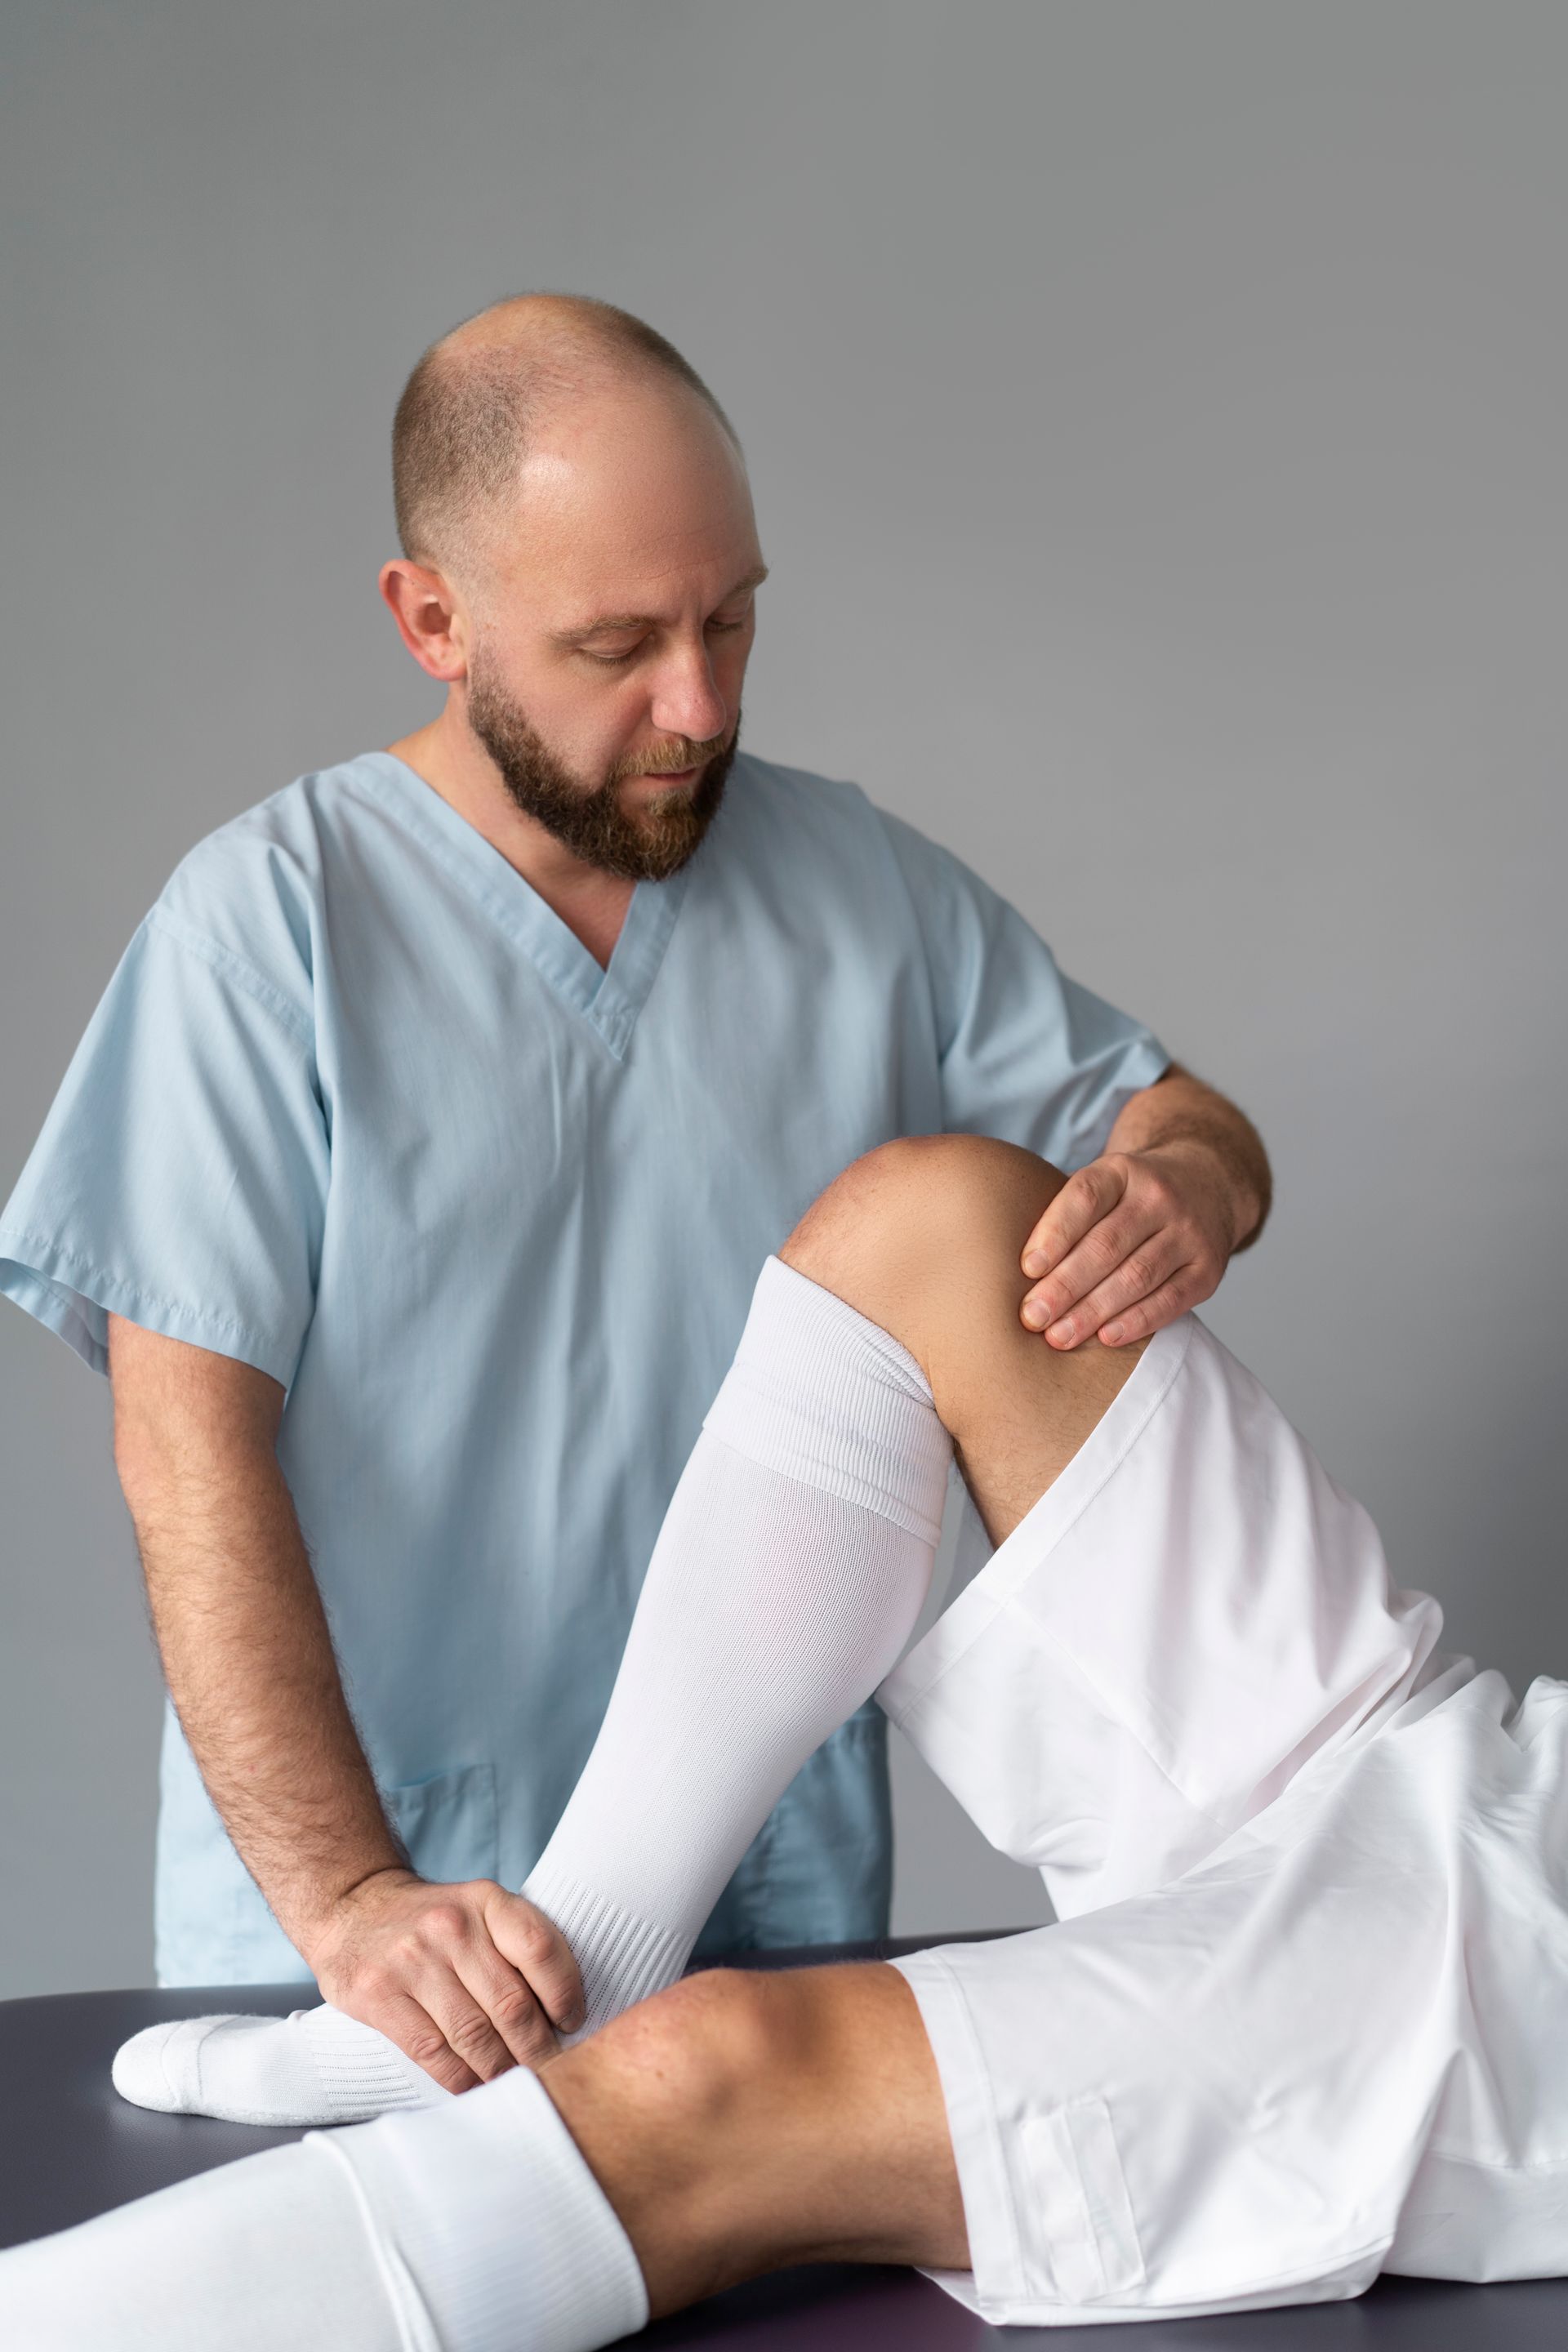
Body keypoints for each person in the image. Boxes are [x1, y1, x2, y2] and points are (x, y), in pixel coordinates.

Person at [0, 293, 1271, 2078]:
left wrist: (1189, 1190)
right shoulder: (266, 933)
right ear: (431, 620)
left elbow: (1180, 1119)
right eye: (618, 646)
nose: (699, 705)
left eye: (732, 620)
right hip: (387, 1939)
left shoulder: (860, 890)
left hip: (776, 1927)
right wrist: (353, 1894)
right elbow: (183, 1453)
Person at [6, 1134, 1562, 2345]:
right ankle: (585, 1954)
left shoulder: (851, 885)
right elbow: (1189, 1126)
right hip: (1480, 1776)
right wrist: (1191, 1183)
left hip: (1520, 1967)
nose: (695, 705)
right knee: (934, 1224)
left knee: (710, 2076)